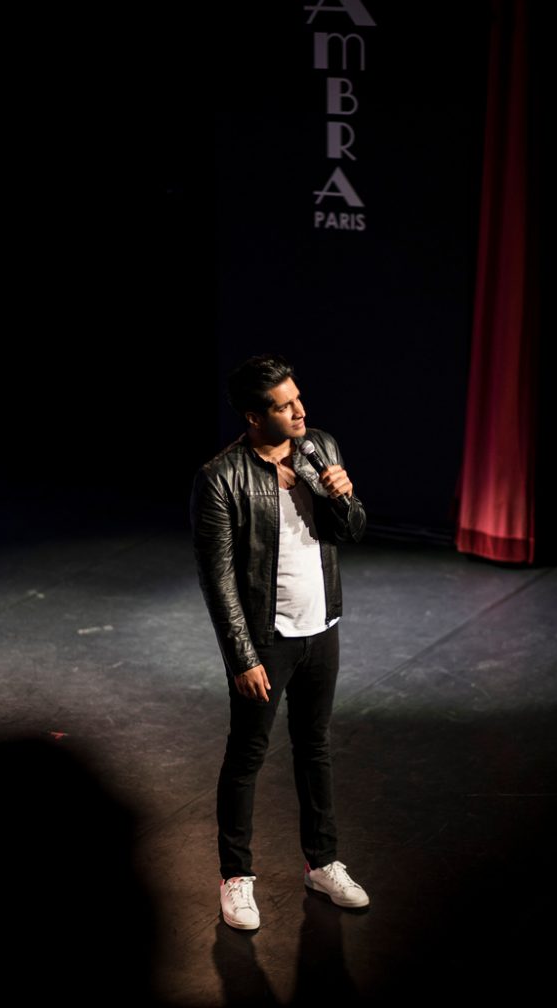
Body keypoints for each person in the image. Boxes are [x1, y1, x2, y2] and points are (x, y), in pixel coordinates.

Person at [190, 353, 369, 930]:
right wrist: (241, 656)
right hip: (266, 640)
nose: (300, 412)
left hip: (322, 627)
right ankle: (236, 877)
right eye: (284, 406)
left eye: (298, 399)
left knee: (314, 747)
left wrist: (342, 496)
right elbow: (218, 578)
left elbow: (352, 531)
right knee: (247, 755)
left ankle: (323, 863)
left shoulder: (321, 447)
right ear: (253, 416)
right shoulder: (221, 478)